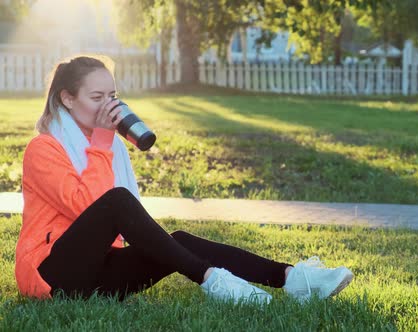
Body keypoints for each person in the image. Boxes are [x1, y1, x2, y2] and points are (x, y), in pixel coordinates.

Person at [14, 55, 353, 304]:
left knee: (179, 240)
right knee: (117, 200)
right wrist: (102, 143)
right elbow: (88, 207)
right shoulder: (43, 149)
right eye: (96, 97)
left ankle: (295, 279)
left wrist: (103, 144)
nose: (109, 106)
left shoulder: (105, 146)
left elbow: (119, 227)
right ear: (67, 99)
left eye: (112, 96)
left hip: (95, 276)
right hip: (50, 277)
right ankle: (214, 282)